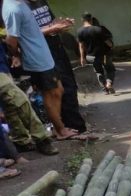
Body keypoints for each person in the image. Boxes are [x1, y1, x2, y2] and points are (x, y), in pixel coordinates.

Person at [3, 0, 77, 140]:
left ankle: (59, 127)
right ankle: (60, 130)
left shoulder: (21, 4)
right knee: (50, 93)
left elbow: (32, 29)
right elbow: (11, 40)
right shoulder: (13, 9)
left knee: (58, 90)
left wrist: (55, 25)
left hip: (44, 54)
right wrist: (17, 55)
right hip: (35, 58)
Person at [26, 0, 88, 134]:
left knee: (69, 86)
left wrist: (60, 24)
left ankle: (75, 127)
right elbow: (25, 34)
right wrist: (52, 29)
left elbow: (50, 22)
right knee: (55, 90)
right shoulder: (19, 7)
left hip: (57, 47)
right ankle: (66, 128)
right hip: (41, 52)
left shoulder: (41, 2)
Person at [0, 41, 57, 155]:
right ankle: (41, 138)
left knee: (9, 107)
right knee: (19, 100)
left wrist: (13, 55)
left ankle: (21, 141)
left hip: (4, 67)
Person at [77, 13, 114, 94]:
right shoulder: (98, 29)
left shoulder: (79, 31)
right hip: (103, 55)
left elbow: (81, 46)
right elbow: (108, 42)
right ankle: (108, 84)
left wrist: (82, 58)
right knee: (110, 69)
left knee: (99, 72)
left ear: (82, 20)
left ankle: (104, 89)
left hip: (90, 56)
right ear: (91, 19)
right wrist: (111, 46)